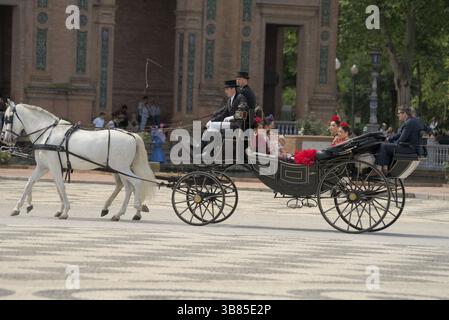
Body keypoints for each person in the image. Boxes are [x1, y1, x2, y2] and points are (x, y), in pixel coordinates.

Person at [375, 105, 424, 174]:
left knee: (383, 146)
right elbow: (399, 134)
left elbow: (401, 139)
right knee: (386, 145)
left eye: (399, 113)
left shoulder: (409, 123)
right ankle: (385, 167)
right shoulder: (412, 121)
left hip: (409, 148)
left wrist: (391, 143)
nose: (398, 115)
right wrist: (388, 139)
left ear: (404, 113)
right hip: (410, 147)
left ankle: (379, 168)